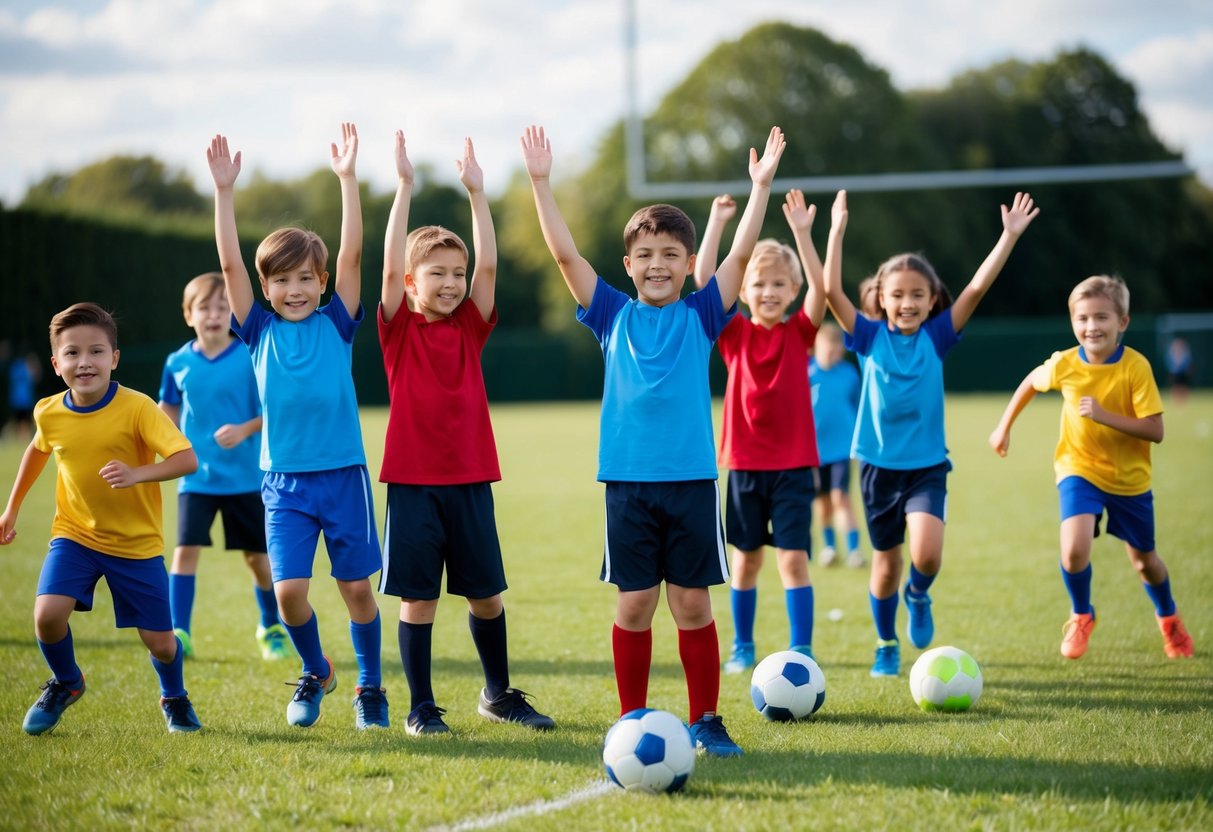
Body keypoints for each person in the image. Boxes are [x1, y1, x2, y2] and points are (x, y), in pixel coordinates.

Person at [521, 123, 787, 756]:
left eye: (671, 255)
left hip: (693, 482)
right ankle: (632, 717)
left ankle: (706, 720)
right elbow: (564, 256)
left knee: (692, 604)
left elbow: (742, 257)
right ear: (628, 266)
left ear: (687, 264)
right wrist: (539, 182)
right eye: (645, 255)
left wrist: (760, 188)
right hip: (629, 487)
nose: (658, 265)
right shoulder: (612, 315)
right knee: (636, 603)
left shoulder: (702, 315)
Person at [206, 125, 386, 730]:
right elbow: (229, 260)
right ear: (266, 288)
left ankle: (371, 688)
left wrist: (348, 180)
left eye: (306, 278)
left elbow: (355, 253)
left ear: (322, 282)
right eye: (282, 280)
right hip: (282, 483)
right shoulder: (256, 330)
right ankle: (318, 670)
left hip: (343, 477)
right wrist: (225, 193)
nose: (295, 289)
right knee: (289, 596)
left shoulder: (338, 323)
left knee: (358, 591)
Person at [378, 131, 554, 736]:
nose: (452, 283)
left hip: (471, 480)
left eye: (457, 273)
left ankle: (498, 694)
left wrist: (478, 197)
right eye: (437, 273)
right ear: (410, 282)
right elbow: (386, 260)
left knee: (487, 596)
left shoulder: (471, 326)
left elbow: (492, 263)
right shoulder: (397, 329)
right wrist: (404, 188)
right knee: (418, 599)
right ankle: (421, 708)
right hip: (412, 486)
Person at [823, 189, 1039, 677]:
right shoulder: (868, 337)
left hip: (925, 467)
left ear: (931, 299)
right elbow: (832, 292)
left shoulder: (937, 336)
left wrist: (1007, 237)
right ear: (880, 298)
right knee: (885, 566)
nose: (907, 303)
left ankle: (918, 595)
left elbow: (977, 290)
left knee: (926, 553)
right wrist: (835, 232)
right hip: (878, 468)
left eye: (917, 295)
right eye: (897, 295)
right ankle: (885, 642)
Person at [0, 302, 202, 734]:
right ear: (56, 364)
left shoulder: (138, 407)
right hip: (74, 536)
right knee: (47, 616)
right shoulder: (48, 411)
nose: (84, 362)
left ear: (114, 358)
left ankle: (174, 696)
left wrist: (137, 474)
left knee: (162, 645)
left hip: (136, 545)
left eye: (96, 352)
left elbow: (187, 459)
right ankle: (67, 682)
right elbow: (38, 451)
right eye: (72, 353)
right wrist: (12, 507)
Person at [989, 275, 1193, 660]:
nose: (1091, 327)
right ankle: (1082, 614)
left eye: (1101, 317)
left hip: (1130, 480)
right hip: (1078, 468)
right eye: (1082, 318)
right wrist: (1003, 427)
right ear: (1073, 323)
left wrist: (1104, 415)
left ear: (1123, 322)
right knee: (1073, 550)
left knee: (1144, 562)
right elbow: (1032, 382)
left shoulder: (1136, 367)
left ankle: (1168, 617)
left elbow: (1156, 430)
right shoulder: (1065, 363)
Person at [692, 189, 826, 674]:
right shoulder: (733, 334)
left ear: (791, 291)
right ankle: (743, 646)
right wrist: (716, 221)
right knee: (745, 564)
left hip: (792, 469)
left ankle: (802, 650)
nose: (769, 292)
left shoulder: (800, 333)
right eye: (759, 284)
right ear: (744, 292)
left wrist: (803, 236)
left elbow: (823, 289)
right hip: (745, 468)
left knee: (793, 562)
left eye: (779, 285)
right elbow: (704, 278)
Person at [159, 272, 290, 661]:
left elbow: (273, 410)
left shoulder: (250, 355)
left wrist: (244, 429)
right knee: (184, 552)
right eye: (204, 307)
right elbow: (166, 411)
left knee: (258, 560)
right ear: (188, 315)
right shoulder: (177, 362)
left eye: (222, 307)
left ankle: (270, 627)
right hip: (195, 479)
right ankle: (178, 632)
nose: (214, 314)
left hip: (247, 479)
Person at [809, 322, 864, 570]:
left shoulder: (849, 374)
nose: (833, 352)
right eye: (827, 346)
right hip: (814, 451)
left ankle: (854, 551)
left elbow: (857, 406)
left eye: (837, 347)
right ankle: (830, 548)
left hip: (842, 448)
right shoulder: (805, 373)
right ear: (815, 347)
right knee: (823, 502)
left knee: (841, 497)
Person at [7, 349, 42, 442]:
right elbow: (36, 378)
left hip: (18, 398)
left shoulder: (15, 366)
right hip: (24, 399)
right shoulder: (27, 367)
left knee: (22, 420)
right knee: (24, 420)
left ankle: (21, 437)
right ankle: (22, 438)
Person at [1165, 337, 1192, 406]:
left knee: (1183, 386)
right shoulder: (1171, 353)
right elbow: (1169, 363)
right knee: (1175, 386)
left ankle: (1184, 401)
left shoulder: (1185, 354)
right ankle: (1176, 401)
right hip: (1175, 373)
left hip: (1183, 372)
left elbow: (1188, 362)